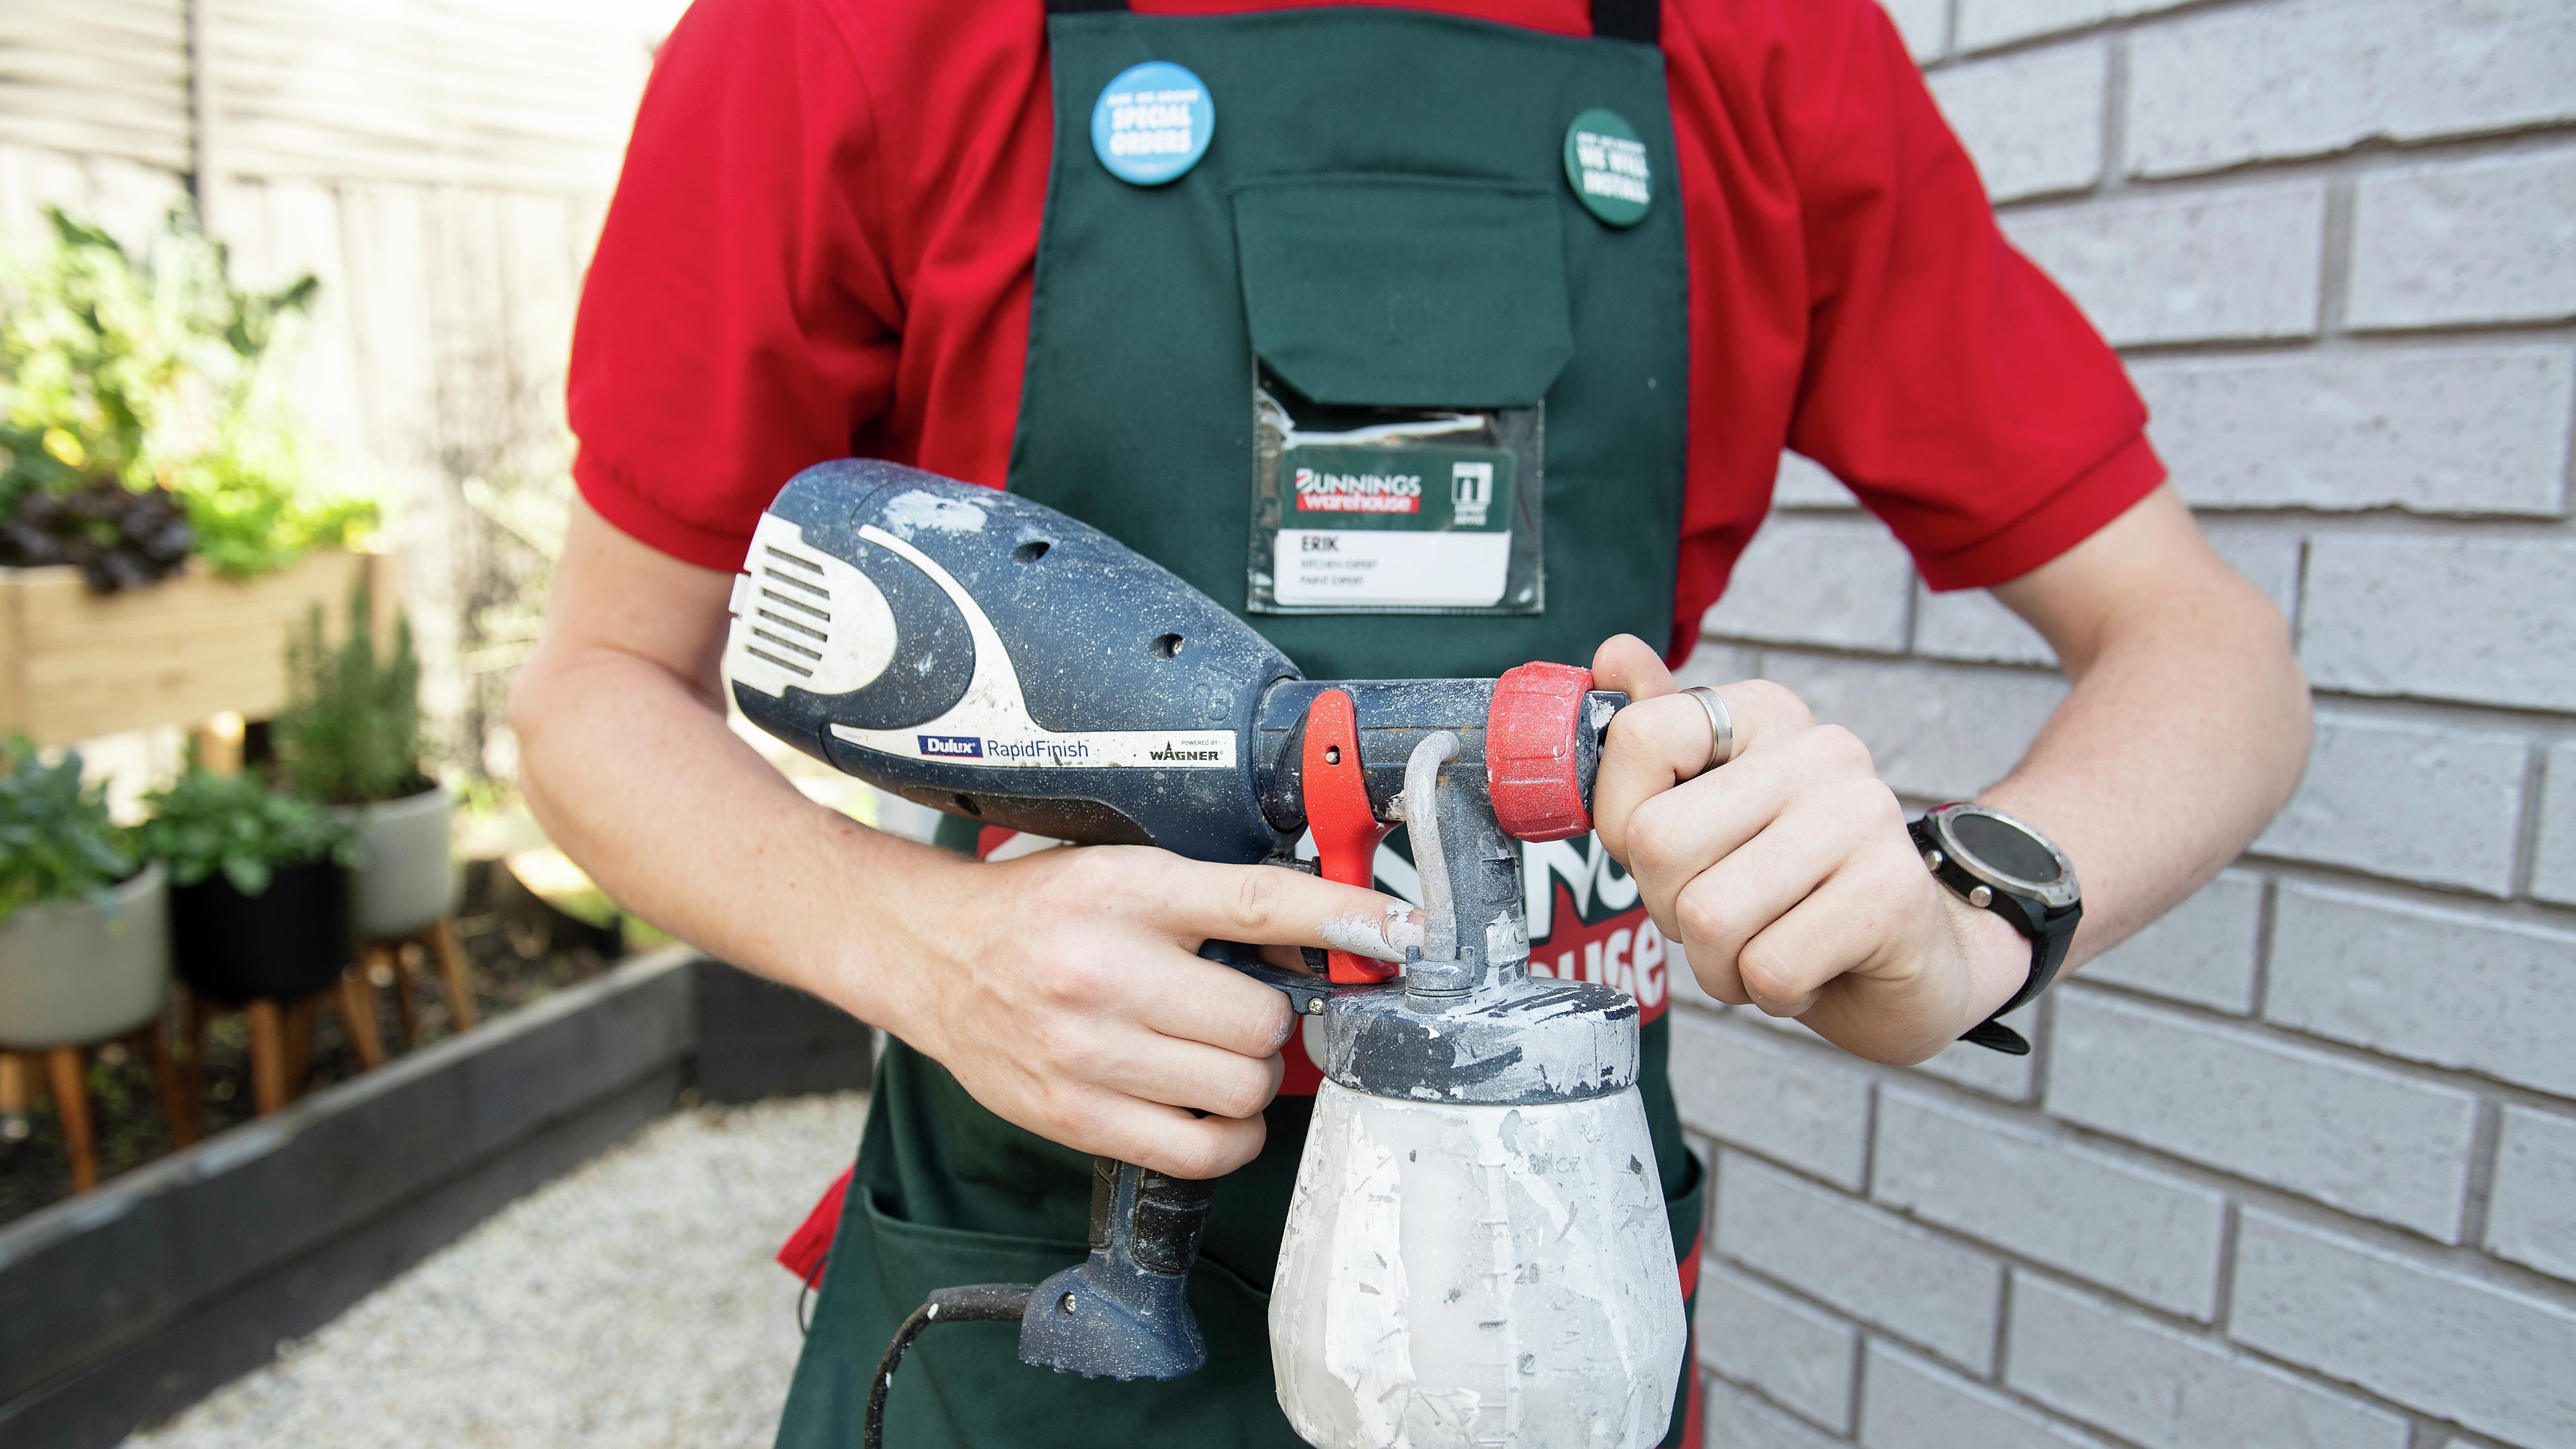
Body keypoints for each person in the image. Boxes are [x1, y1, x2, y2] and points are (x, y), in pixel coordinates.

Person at [510, 0, 2312, 1443]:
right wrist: (924, 942)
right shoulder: (850, 26)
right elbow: (597, 688)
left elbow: (2206, 650)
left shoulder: (1756, 41)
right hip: (1037, 1251)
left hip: (1555, 1254)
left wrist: (1958, 927)